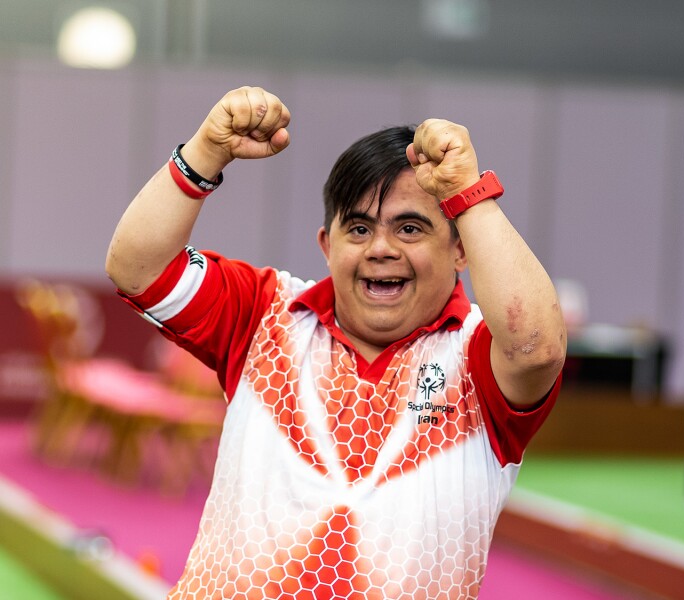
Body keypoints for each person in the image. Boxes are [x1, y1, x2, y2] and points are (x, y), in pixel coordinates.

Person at [104, 86, 567, 599]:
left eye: (410, 228)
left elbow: (537, 347)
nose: (382, 249)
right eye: (359, 229)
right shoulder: (263, 311)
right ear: (328, 245)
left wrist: (468, 194)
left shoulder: (478, 356)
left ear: (461, 249)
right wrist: (205, 152)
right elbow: (136, 269)